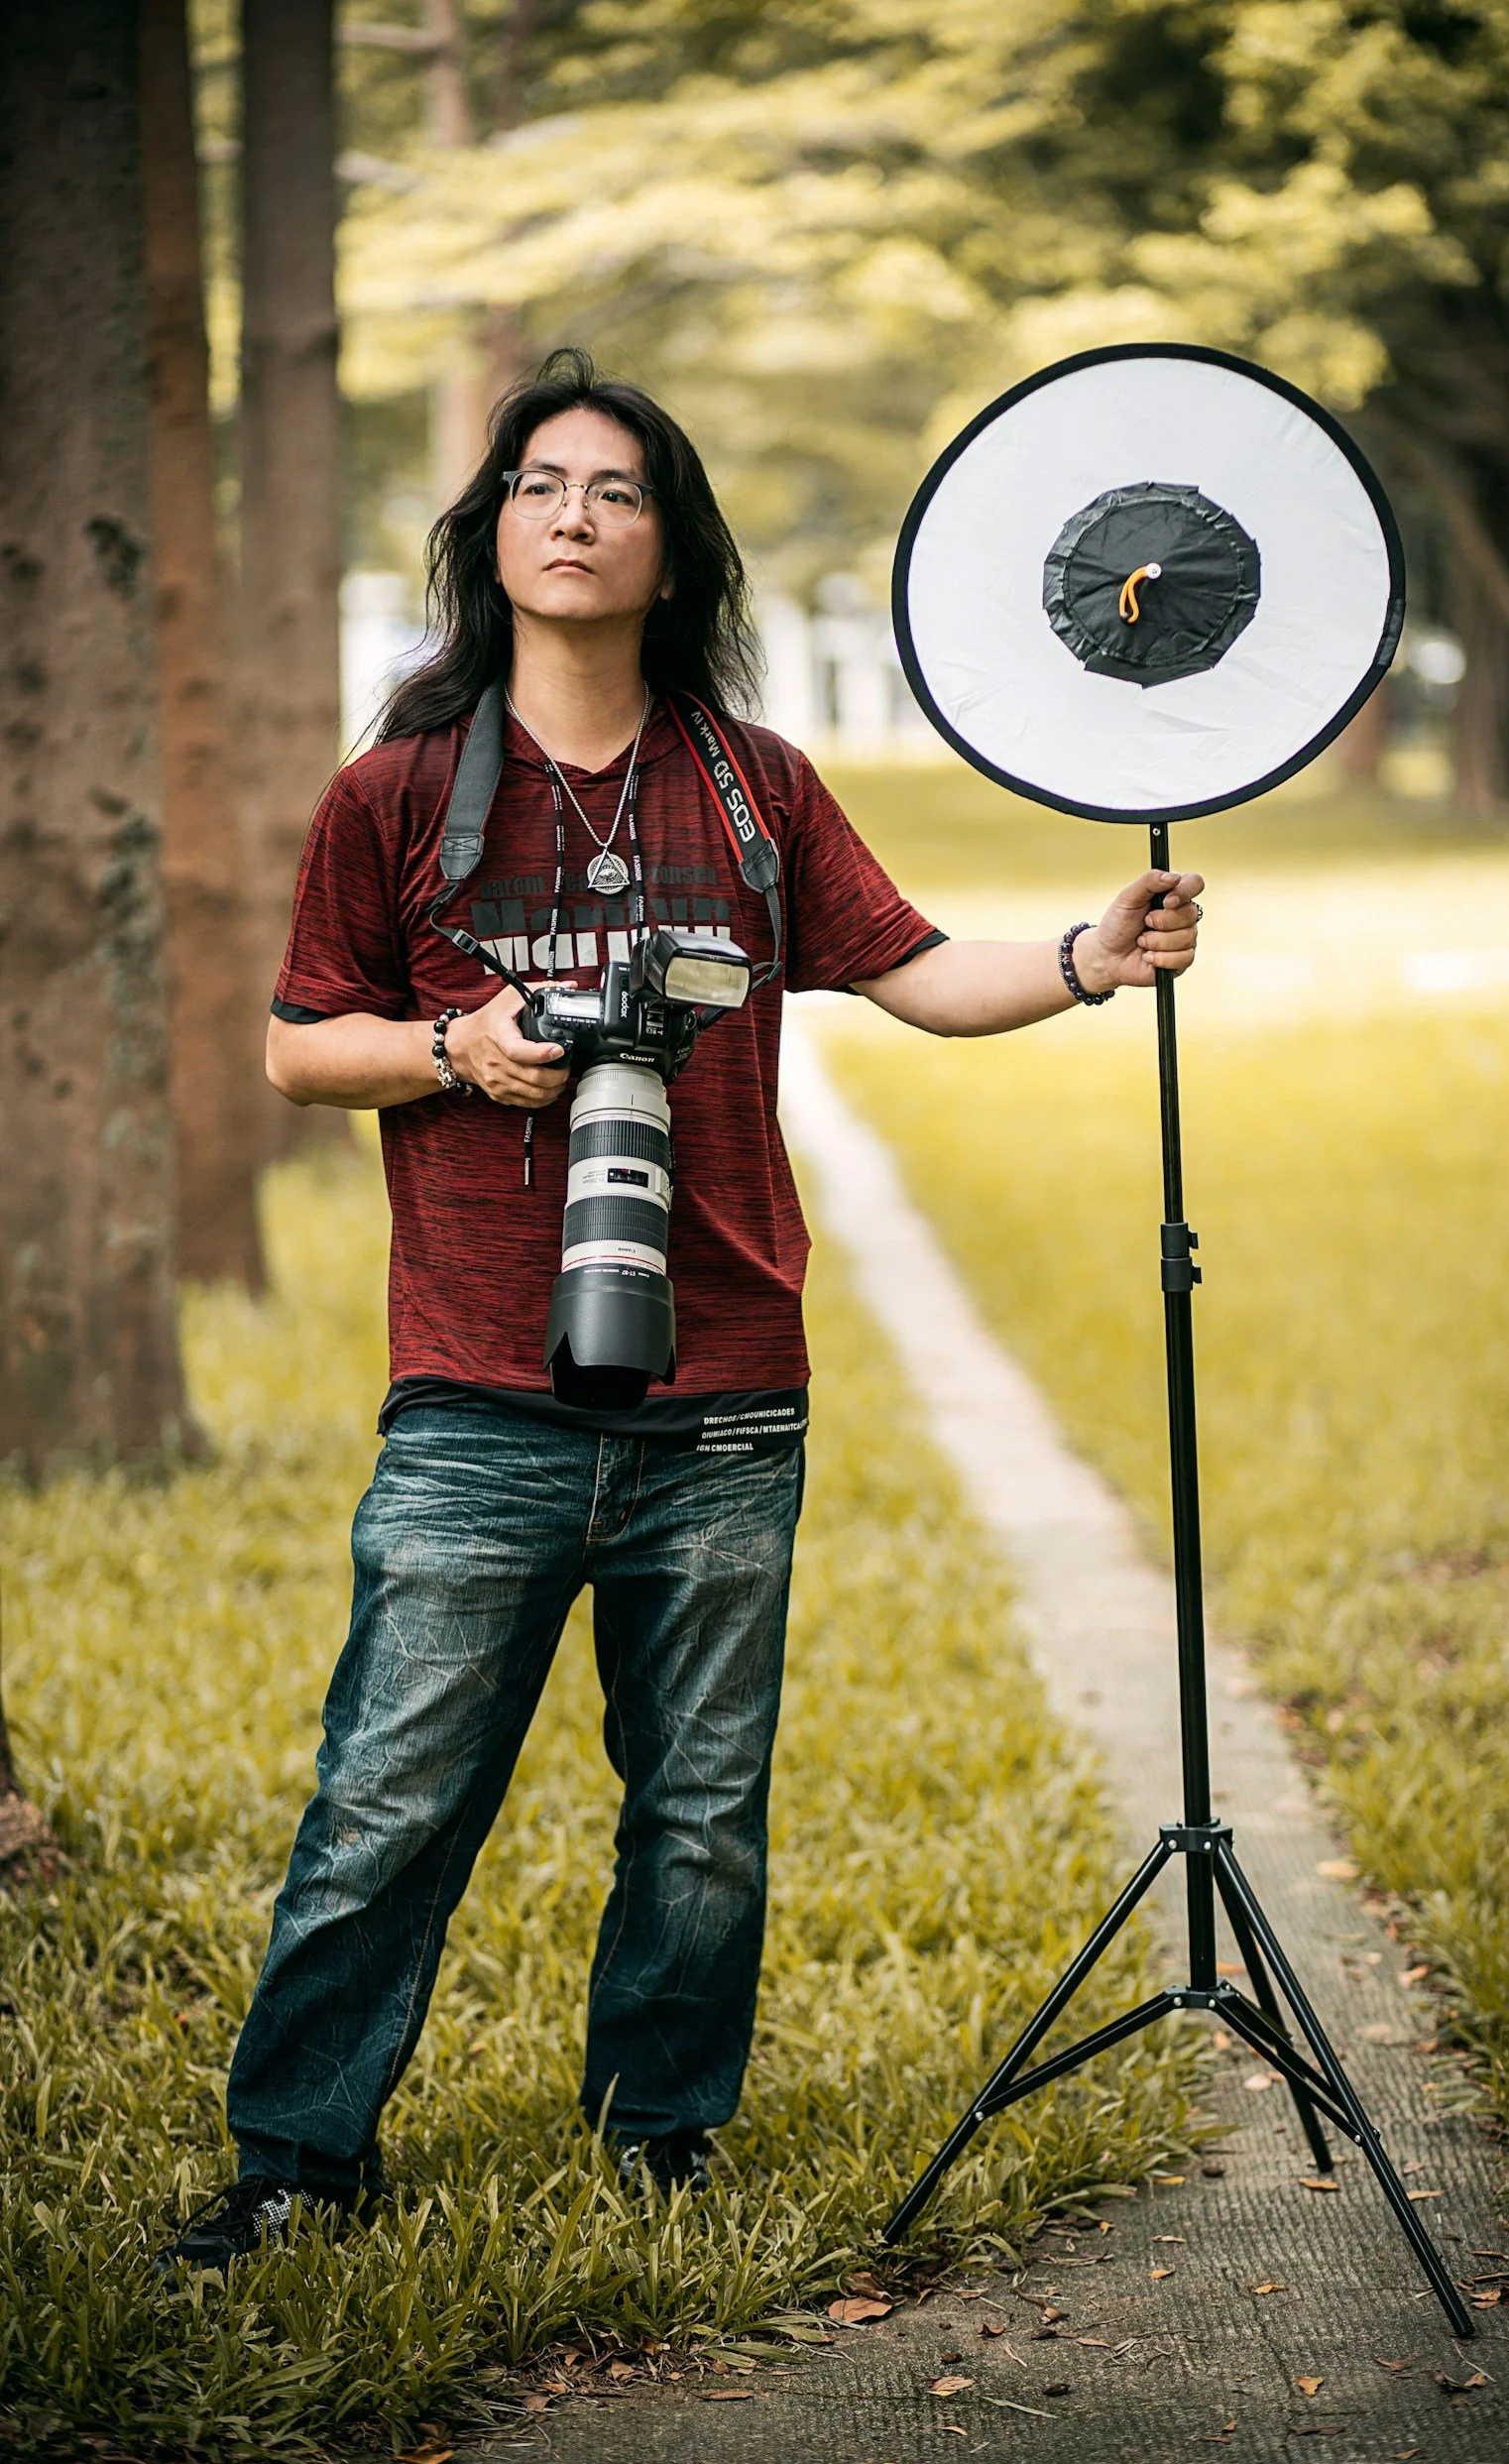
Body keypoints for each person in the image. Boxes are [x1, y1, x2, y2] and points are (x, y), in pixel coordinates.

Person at [161, 348, 1202, 2273]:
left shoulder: (751, 782)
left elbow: (908, 972)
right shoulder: (394, 793)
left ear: (669, 543)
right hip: (472, 1386)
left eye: (615, 489)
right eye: (539, 483)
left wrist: (1081, 954)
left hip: (724, 1387)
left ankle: (664, 2141)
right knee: (386, 1801)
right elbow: (303, 1055)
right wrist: (462, 1046)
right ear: (490, 531)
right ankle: (296, 2164)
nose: (572, 513)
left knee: (703, 1811)